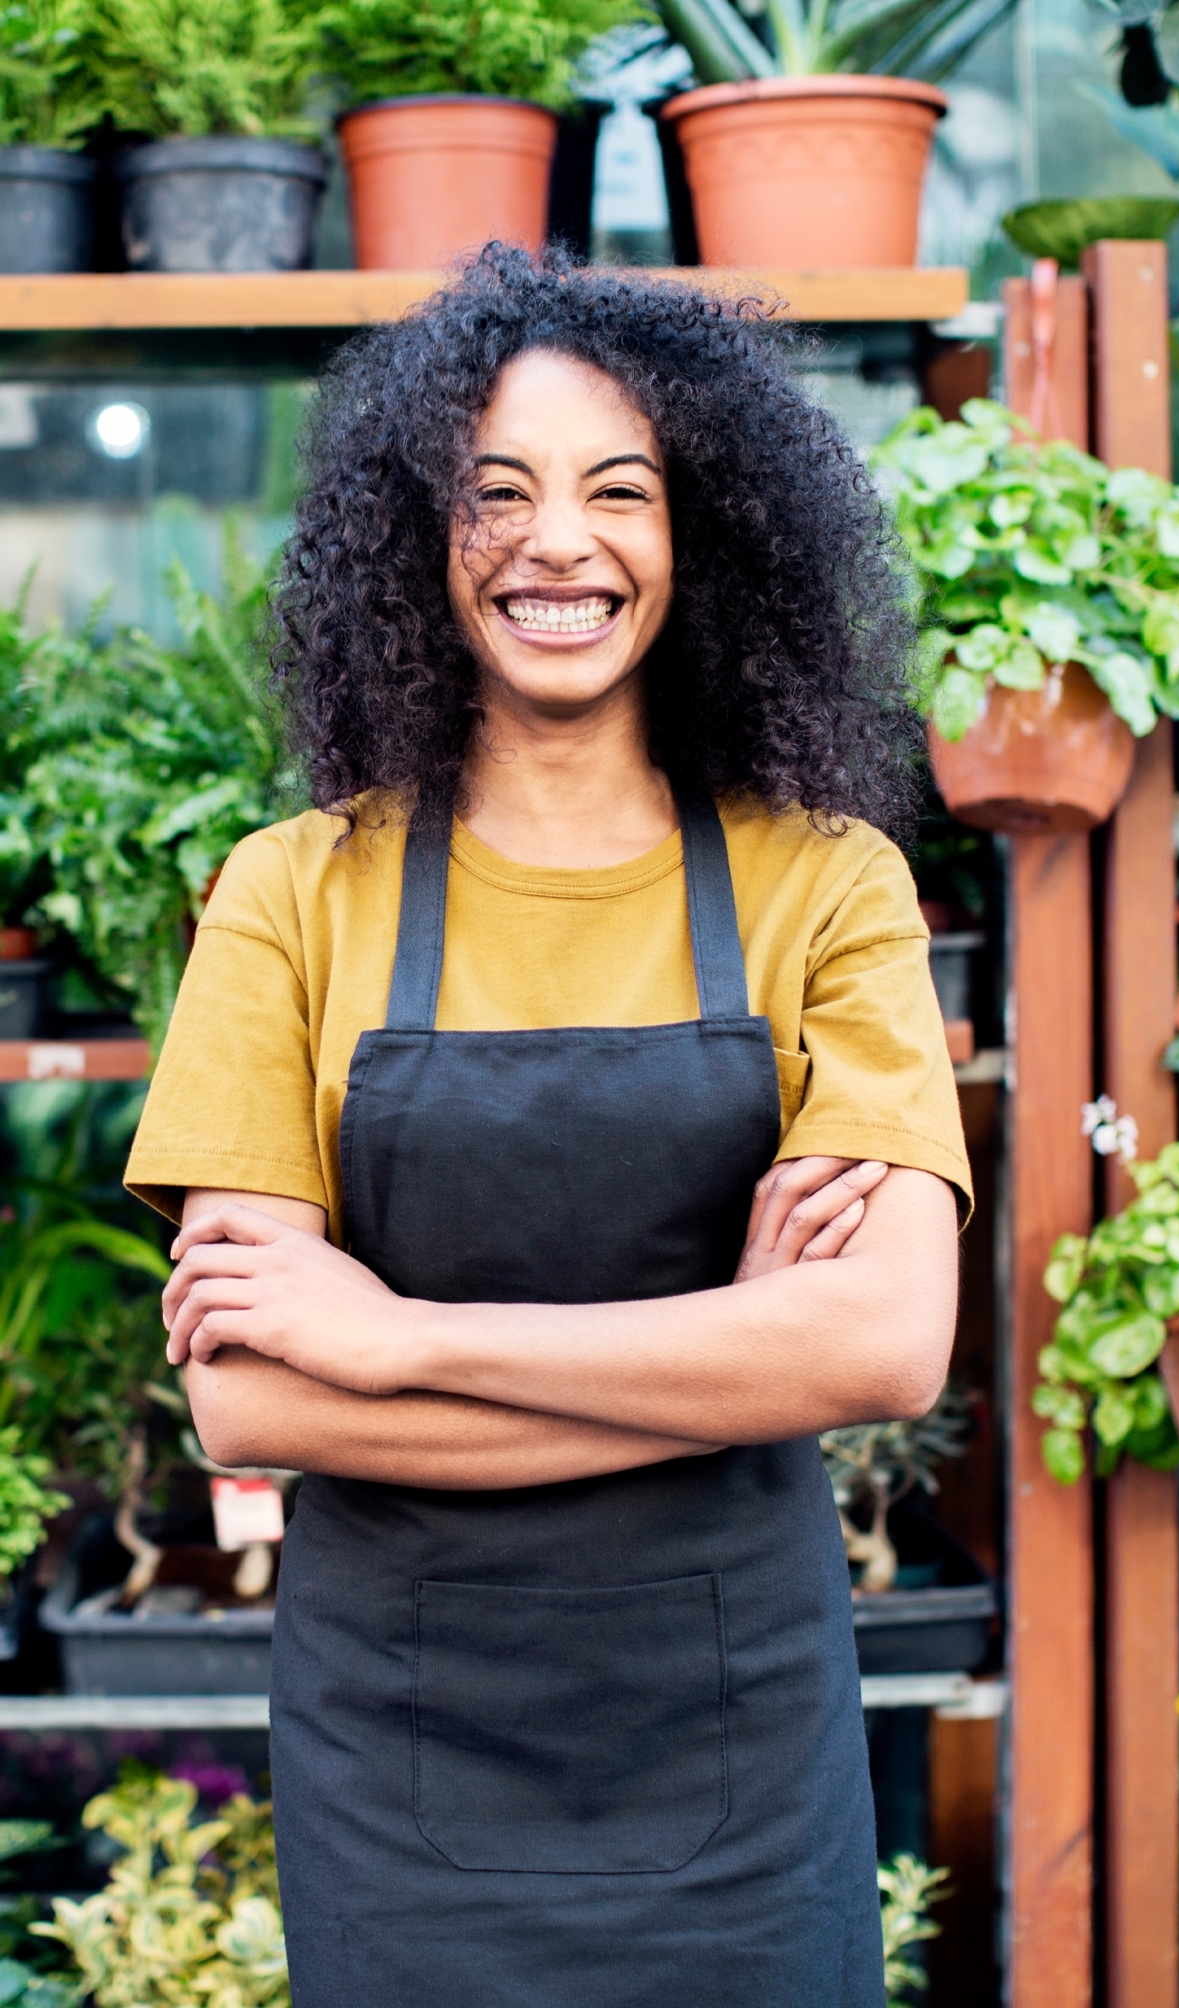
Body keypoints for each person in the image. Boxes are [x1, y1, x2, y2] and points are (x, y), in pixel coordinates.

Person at [128, 246, 971, 2008]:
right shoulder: (294, 896)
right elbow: (252, 1395)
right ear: (412, 543)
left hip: (735, 1749)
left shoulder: (829, 883)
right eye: (493, 494)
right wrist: (736, 1358)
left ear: (707, 532)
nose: (557, 545)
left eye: (618, 490)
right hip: (403, 1754)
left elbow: (885, 1342)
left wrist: (394, 1341)